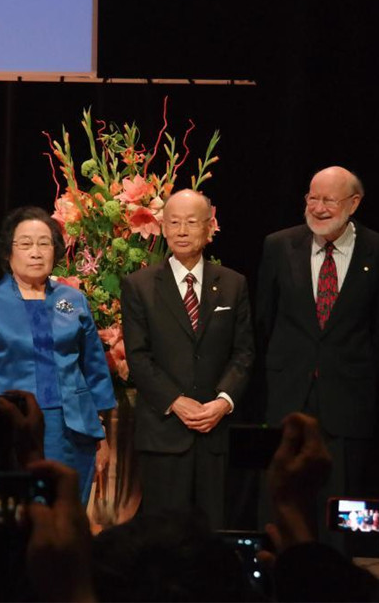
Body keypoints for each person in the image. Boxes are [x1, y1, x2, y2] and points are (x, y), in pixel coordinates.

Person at [256, 166, 379, 539]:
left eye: (329, 200)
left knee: (342, 501)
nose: (319, 208)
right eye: (312, 197)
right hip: (289, 390)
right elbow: (265, 320)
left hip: (348, 394)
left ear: (354, 203)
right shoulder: (278, 245)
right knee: (280, 497)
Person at [0, 206, 116, 504]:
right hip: (8, 429)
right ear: (8, 252)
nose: (35, 252)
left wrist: (101, 428)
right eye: (25, 244)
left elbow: (95, 367)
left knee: (64, 516)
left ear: (55, 250)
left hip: (73, 430)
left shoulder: (73, 300)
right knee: (15, 514)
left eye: (44, 243)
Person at [121, 189, 255, 529]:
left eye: (191, 223)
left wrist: (222, 402)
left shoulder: (233, 284)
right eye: (174, 222)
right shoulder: (140, 285)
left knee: (212, 533)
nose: (181, 231)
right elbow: (138, 356)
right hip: (164, 431)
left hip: (215, 431)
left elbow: (243, 352)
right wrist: (175, 401)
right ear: (163, 228)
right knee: (162, 534)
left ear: (209, 229)